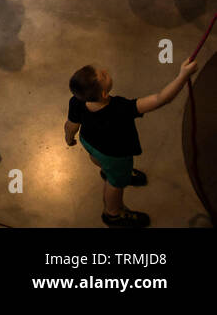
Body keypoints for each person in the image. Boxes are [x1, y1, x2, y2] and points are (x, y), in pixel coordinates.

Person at [65, 58, 200, 228]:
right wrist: (183, 75)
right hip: (115, 155)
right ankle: (113, 213)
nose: (106, 70)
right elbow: (161, 99)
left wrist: (69, 138)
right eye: (104, 75)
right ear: (104, 94)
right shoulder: (120, 108)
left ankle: (107, 171)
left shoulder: (77, 100)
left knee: (101, 161)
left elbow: (71, 125)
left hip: (90, 143)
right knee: (115, 183)